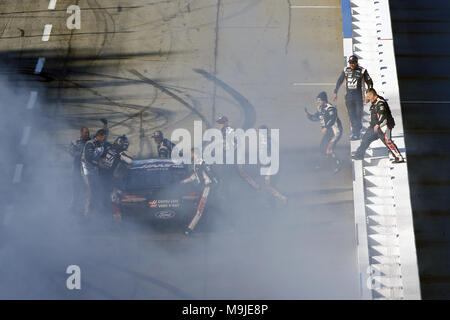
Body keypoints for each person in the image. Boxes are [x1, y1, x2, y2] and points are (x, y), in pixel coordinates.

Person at [352, 88, 405, 163]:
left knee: (388, 142)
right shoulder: (374, 102)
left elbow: (382, 115)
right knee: (365, 139)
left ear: (372, 95)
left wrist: (378, 125)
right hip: (374, 127)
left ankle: (399, 158)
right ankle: (359, 155)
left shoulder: (380, 103)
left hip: (383, 126)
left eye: (368, 97)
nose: (367, 98)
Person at [332, 55, 373, 140]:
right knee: (352, 115)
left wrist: (368, 94)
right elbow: (339, 80)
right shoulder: (346, 70)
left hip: (358, 96)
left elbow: (370, 82)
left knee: (358, 115)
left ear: (356, 62)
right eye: (350, 63)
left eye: (353, 63)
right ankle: (355, 133)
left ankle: (357, 131)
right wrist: (335, 92)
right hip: (349, 97)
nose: (351, 64)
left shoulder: (362, 70)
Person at [181, 148, 218, 235]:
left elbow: (211, 174)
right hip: (205, 188)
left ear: (195, 153)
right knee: (213, 207)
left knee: (200, 209)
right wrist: (182, 182)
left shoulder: (202, 162)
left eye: (191, 153)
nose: (190, 155)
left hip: (208, 188)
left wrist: (214, 184)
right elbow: (194, 176)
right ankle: (230, 225)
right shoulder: (196, 163)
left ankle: (189, 229)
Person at [305, 91, 343, 173]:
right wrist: (309, 116)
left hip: (335, 132)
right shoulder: (320, 108)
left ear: (324, 100)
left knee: (329, 149)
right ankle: (324, 164)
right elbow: (317, 117)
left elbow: (333, 119)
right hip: (329, 132)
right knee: (322, 148)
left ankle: (338, 164)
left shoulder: (330, 108)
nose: (317, 102)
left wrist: (326, 127)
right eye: (317, 100)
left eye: (319, 100)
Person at [99, 135, 133, 211]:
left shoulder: (107, 146)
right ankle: (108, 212)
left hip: (100, 175)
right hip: (109, 177)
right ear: (120, 143)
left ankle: (102, 211)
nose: (126, 146)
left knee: (102, 195)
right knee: (111, 196)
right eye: (125, 144)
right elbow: (131, 161)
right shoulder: (119, 152)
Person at [80, 129, 107, 219]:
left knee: (97, 191)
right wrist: (98, 163)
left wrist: (103, 161)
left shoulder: (101, 144)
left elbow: (102, 156)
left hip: (95, 171)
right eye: (103, 137)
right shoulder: (90, 143)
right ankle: (86, 214)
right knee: (90, 192)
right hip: (86, 170)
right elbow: (88, 158)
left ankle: (96, 212)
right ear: (100, 136)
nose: (104, 139)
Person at [68, 127, 91, 214]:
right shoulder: (75, 142)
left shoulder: (92, 141)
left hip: (89, 171)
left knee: (88, 189)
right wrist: (78, 153)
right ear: (81, 133)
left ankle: (87, 208)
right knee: (76, 187)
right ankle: (75, 205)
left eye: (88, 132)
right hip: (77, 169)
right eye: (85, 133)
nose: (87, 134)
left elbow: (101, 137)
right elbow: (70, 151)